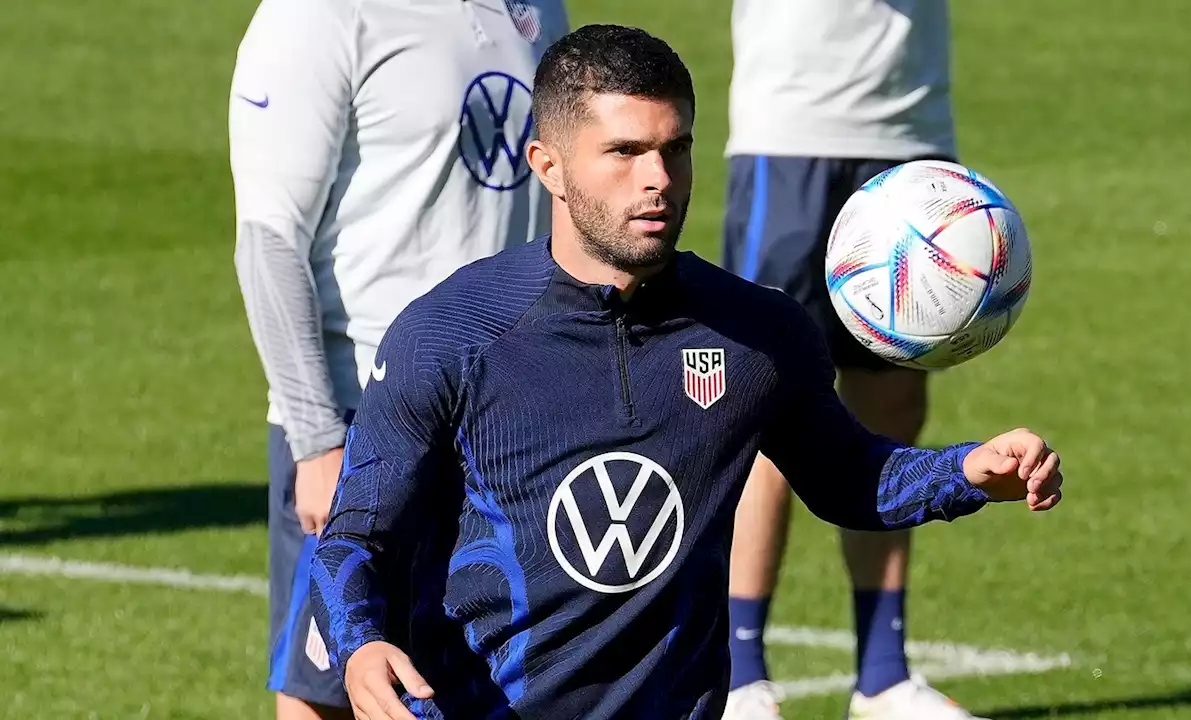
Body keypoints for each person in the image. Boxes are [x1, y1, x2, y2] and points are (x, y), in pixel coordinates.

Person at [308, 24, 1062, 720]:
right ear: (548, 165)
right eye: (625, 152)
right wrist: (361, 647)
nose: (658, 179)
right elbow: (356, 537)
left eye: (676, 148)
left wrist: (967, 472)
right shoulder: (451, 335)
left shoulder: (757, 336)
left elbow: (846, 476)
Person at [227, 0, 568, 716]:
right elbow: (268, 241)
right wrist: (317, 440)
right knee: (331, 693)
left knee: (489, 688)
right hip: (367, 419)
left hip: (504, 417)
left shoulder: (536, 6)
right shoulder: (317, 15)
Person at [719, 1, 974, 717]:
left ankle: (884, 673)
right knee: (761, 399)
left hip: (912, 122)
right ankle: (740, 678)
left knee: (893, 400)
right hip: (792, 122)